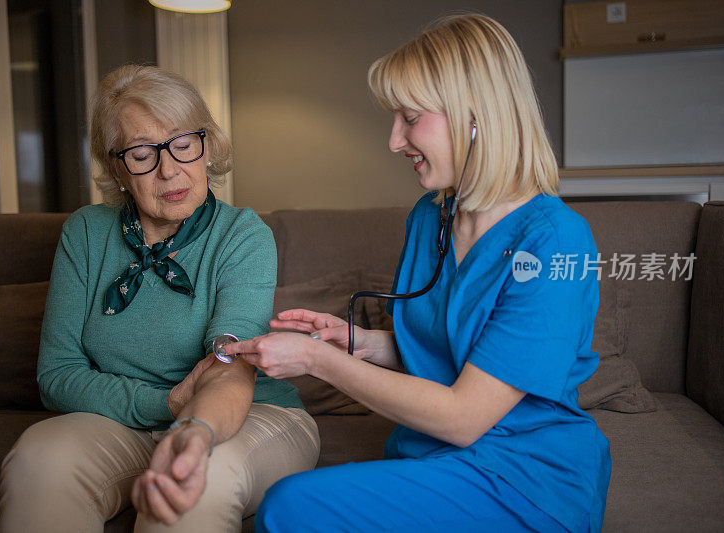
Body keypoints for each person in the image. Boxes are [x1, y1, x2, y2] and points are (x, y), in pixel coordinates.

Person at [224, 14, 611, 533]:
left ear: (476, 116)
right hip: (431, 457)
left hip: (525, 478)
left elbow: (464, 414)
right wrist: (358, 344)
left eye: (409, 118)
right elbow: (448, 350)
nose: (393, 141)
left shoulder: (554, 241)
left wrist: (318, 361)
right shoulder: (431, 216)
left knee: (289, 507)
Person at [0, 65, 320, 533]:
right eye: (142, 153)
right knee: (38, 459)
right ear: (116, 168)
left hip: (243, 416)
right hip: (122, 421)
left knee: (197, 478)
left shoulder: (242, 235)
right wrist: (167, 404)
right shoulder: (85, 233)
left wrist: (193, 430)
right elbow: (57, 374)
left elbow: (230, 368)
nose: (169, 170)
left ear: (206, 145)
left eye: (182, 143)